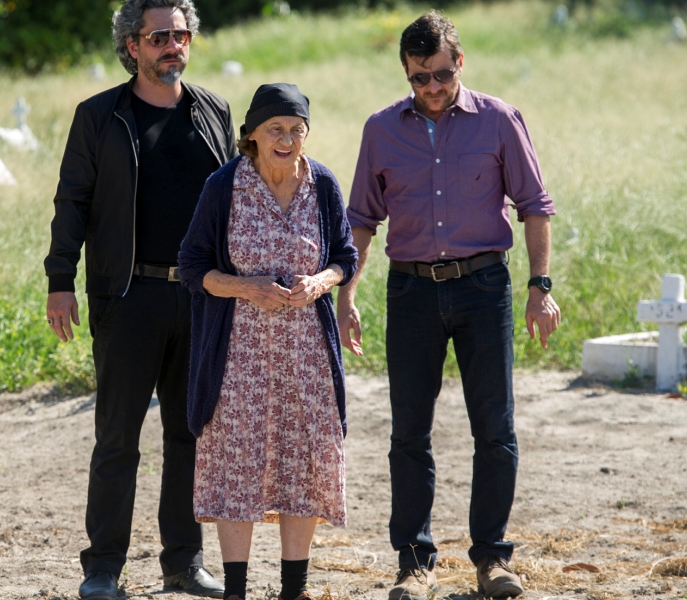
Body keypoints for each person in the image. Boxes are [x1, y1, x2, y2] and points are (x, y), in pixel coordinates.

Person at [337, 11, 562, 600]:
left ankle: (491, 558)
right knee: (409, 433)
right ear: (406, 74)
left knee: (496, 428)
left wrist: (541, 287)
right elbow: (360, 221)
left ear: (459, 62)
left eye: (440, 74)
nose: (432, 88)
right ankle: (415, 563)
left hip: (484, 287)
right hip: (410, 292)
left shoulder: (499, 121)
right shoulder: (381, 129)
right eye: (419, 78)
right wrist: (348, 295)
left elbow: (534, 204)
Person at [42, 1, 236, 599]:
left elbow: (234, 199)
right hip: (127, 297)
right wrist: (59, 280)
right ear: (132, 46)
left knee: (189, 435)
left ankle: (183, 562)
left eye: (181, 35)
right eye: (159, 37)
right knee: (118, 438)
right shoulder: (100, 116)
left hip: (201, 298)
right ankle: (102, 569)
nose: (172, 46)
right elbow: (72, 201)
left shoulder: (213, 111)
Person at [178, 83, 359, 600]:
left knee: (303, 459)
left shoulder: (322, 183)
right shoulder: (223, 186)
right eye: (274, 129)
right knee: (238, 462)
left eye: (296, 130)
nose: (285, 139)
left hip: (307, 356)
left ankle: (293, 589)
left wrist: (320, 283)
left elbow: (345, 256)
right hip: (238, 356)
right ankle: (235, 590)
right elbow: (192, 268)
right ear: (251, 135)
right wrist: (246, 288)